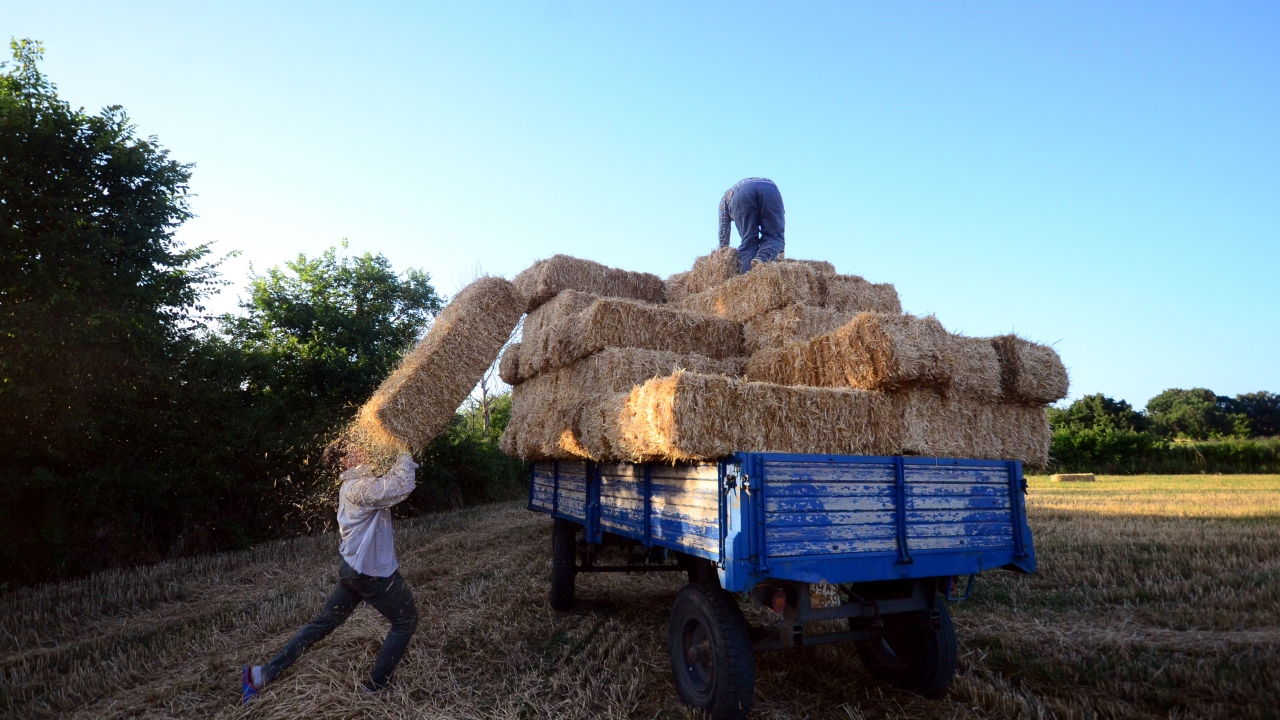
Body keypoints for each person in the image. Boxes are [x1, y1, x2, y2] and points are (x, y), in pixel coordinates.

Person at [242, 448, 420, 702]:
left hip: (352, 571)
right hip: (372, 573)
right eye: (354, 448)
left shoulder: (355, 485)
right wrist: (404, 452)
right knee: (405, 622)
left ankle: (260, 675)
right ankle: (375, 688)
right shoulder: (358, 488)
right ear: (346, 460)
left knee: (322, 624)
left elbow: (387, 485)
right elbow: (400, 486)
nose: (362, 448)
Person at [718, 177, 785, 274]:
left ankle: (747, 276)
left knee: (749, 241)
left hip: (741, 195)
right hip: (770, 189)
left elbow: (723, 228)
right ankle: (762, 259)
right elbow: (778, 224)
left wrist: (723, 251)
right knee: (774, 236)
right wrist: (779, 252)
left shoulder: (726, 197)